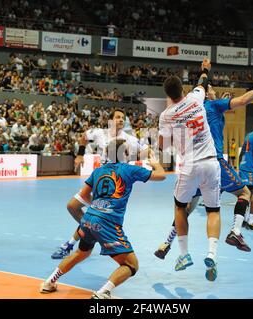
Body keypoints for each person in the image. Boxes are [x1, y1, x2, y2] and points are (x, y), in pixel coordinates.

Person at [154, 68, 253, 261]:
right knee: (243, 193)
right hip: (214, 162)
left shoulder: (186, 108)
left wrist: (205, 70)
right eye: (211, 88)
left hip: (191, 165)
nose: (211, 90)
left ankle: (168, 243)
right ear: (208, 94)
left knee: (185, 207)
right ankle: (235, 231)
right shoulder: (212, 104)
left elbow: (201, 84)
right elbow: (243, 100)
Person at [40, 139, 166, 299]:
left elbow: (84, 195)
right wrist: (155, 162)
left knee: (80, 253)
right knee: (131, 265)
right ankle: (103, 292)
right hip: (108, 223)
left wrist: (99, 206)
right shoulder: (129, 170)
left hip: (89, 218)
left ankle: (49, 282)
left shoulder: (98, 171)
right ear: (125, 154)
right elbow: (161, 176)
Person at [50, 108, 149, 259]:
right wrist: (80, 154)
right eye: (117, 117)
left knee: (93, 214)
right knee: (72, 206)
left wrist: (131, 158)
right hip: (100, 179)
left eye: (123, 117)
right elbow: (83, 137)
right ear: (110, 120)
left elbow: (146, 150)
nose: (121, 120)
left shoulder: (128, 138)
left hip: (115, 184)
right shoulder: (99, 133)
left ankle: (69, 244)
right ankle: (92, 231)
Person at [159, 58, 221, 280]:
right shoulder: (196, 98)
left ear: (168, 95)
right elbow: (203, 81)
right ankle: (212, 254)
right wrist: (205, 68)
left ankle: (184, 254)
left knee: (179, 207)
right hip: (211, 163)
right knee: (213, 211)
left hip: (188, 166)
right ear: (183, 89)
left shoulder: (165, 115)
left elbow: (162, 146)